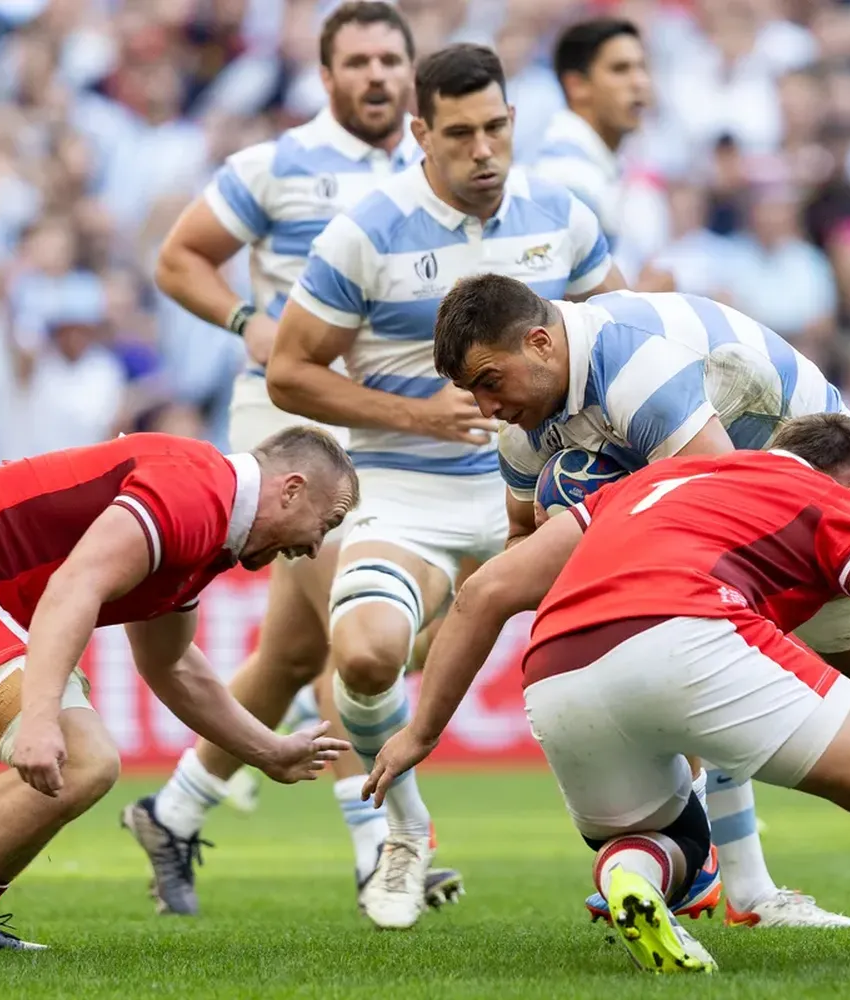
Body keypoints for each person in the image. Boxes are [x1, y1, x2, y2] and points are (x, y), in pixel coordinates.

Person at [364, 414, 850, 978]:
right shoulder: (824, 498)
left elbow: (486, 594)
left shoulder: (644, 486)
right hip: (688, 628)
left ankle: (630, 880)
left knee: (669, 838)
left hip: (559, 667)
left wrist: (422, 731)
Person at [430, 274, 850, 930]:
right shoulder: (523, 423)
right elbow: (524, 540)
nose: (486, 408)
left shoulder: (634, 366)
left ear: (542, 344)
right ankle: (730, 879)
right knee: (673, 636)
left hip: (804, 466)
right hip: (685, 501)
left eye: (489, 383)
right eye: (472, 391)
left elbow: (721, 518)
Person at [266, 42, 624, 929]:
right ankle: (405, 829)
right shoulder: (367, 229)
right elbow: (287, 372)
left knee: (660, 651)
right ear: (421, 133)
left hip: (545, 500)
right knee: (362, 653)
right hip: (404, 489)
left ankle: (728, 871)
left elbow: (620, 333)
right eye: (459, 133)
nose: (483, 150)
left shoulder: (562, 216)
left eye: (497, 127)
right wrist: (417, 414)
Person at [130, 1, 464, 919]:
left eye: (391, 60)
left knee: (291, 653)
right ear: (325, 76)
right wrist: (250, 323)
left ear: (412, 71)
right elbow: (180, 258)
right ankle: (380, 850)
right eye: (357, 60)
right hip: (288, 430)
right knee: (353, 622)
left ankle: (173, 812)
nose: (377, 76)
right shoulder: (275, 165)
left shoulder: (435, 170)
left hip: (386, 431)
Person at [0, 427, 357, 962]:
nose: (315, 547)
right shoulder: (195, 491)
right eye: (328, 523)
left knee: (83, 760)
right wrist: (39, 720)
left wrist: (268, 750)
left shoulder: (210, 516)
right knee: (85, 759)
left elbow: (173, 666)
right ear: (291, 489)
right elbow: (74, 586)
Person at [530, 17, 651, 258]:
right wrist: (642, 293)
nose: (640, 82)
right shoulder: (569, 179)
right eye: (620, 69)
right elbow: (562, 292)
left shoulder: (596, 165)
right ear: (577, 85)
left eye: (643, 67)